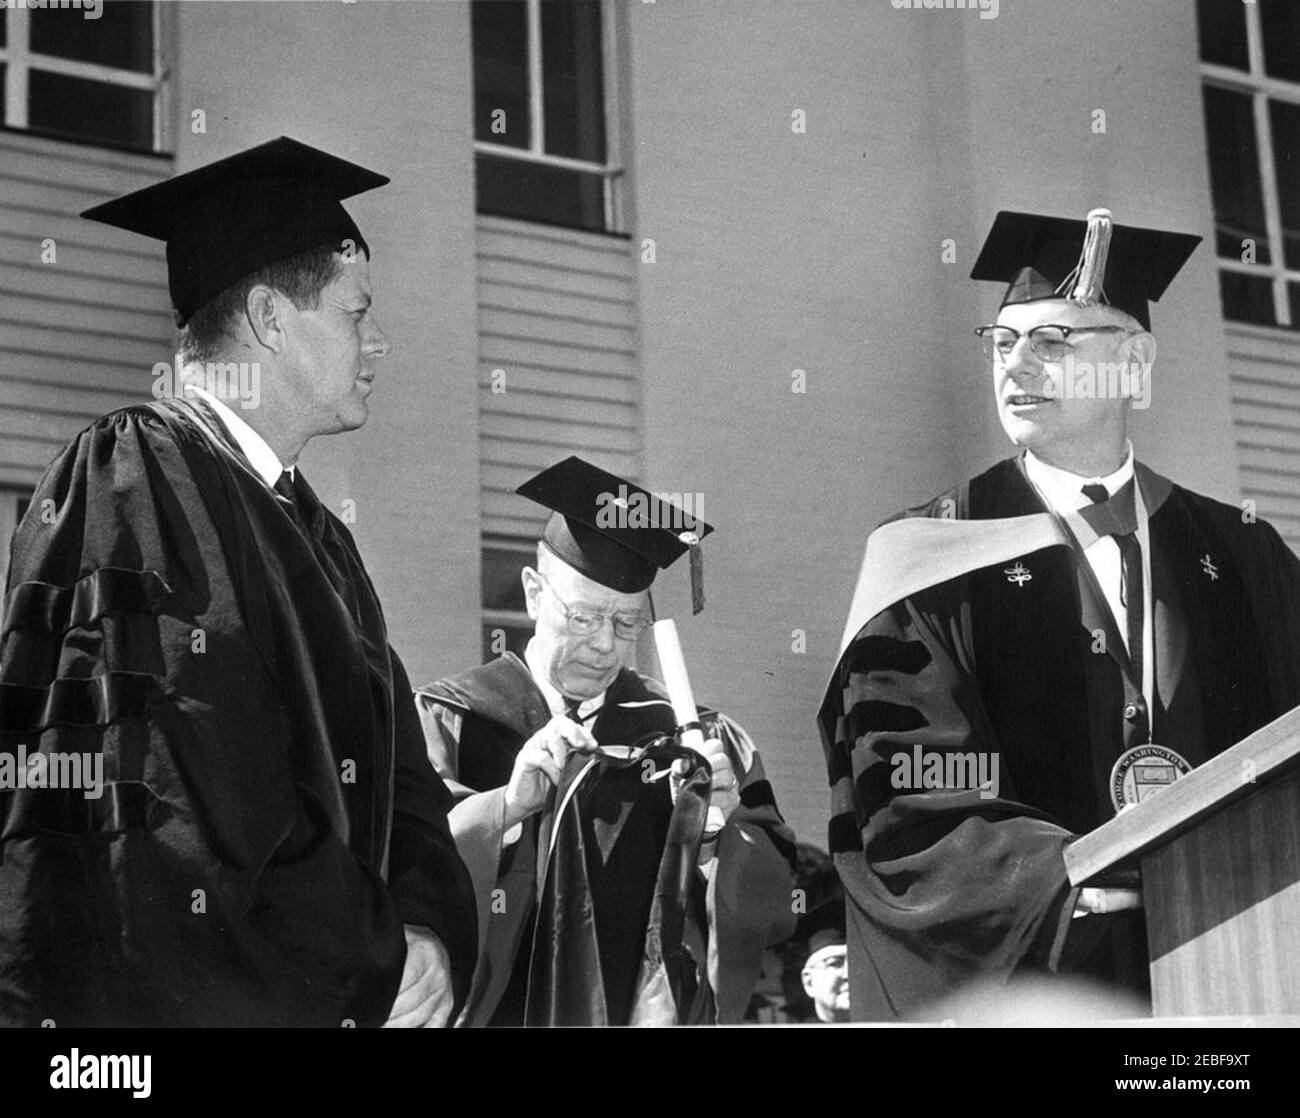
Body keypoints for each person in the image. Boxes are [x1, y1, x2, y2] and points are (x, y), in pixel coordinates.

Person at [0, 137, 477, 1027]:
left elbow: (404, 781)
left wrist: (430, 936)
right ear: (268, 317)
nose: (378, 343)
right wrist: (375, 952)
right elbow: (199, 796)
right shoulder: (135, 475)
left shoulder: (321, 537)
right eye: (354, 313)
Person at [819, 208, 1300, 1021]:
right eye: (1002, 344)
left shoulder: (1245, 554)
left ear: (1135, 364)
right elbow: (905, 794)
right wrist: (1067, 873)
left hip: (1235, 969)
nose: (1017, 366)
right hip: (1047, 976)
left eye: (1052, 342)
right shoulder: (928, 557)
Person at [416, 456, 798, 1025]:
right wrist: (505, 808)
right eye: (584, 617)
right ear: (533, 594)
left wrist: (720, 832)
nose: (603, 644)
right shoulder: (454, 717)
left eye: (626, 625)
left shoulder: (689, 738)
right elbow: (405, 865)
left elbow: (775, 908)